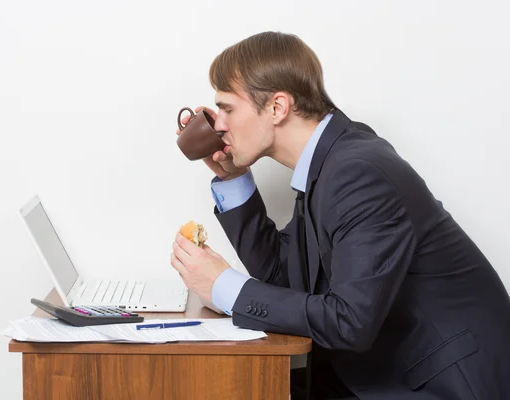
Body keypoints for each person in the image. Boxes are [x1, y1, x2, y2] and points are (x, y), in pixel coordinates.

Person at [170, 31, 510, 399]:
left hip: (442, 386)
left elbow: (350, 321)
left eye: (227, 108)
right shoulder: (331, 162)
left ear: (277, 107)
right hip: (374, 373)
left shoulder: (358, 172)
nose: (217, 124)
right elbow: (282, 276)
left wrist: (224, 287)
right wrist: (232, 179)